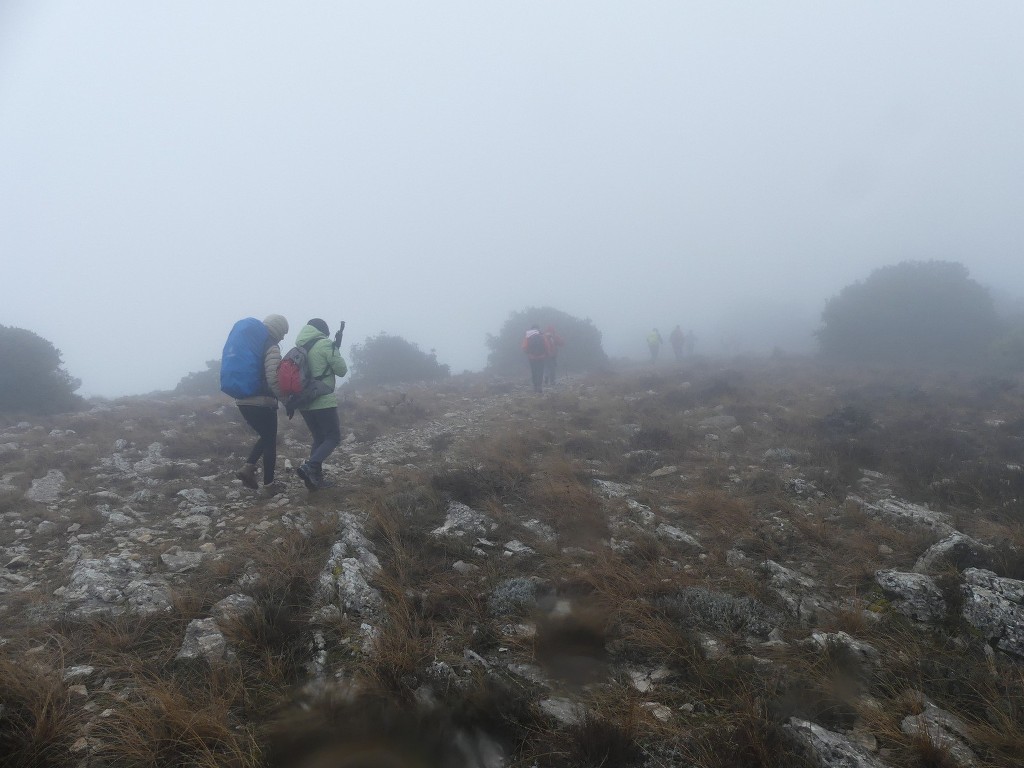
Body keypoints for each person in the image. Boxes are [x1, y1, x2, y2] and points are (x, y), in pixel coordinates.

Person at [236, 314, 288, 496]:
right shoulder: (271, 346)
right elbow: (273, 378)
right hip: (262, 402)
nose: (283, 338)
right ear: (278, 330)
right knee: (270, 442)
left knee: (265, 436)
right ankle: (268, 486)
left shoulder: (251, 345)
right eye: (283, 333)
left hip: (242, 400)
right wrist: (285, 400)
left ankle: (248, 468)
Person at [294, 318, 348, 490]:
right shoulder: (325, 344)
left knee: (318, 438)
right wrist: (335, 350)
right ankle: (310, 466)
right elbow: (341, 370)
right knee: (332, 437)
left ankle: (314, 480)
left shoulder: (300, 347)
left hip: (303, 401)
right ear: (323, 331)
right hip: (322, 399)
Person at [522, 324, 551, 393]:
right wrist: (547, 353)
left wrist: (528, 353)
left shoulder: (528, 337)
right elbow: (547, 346)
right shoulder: (542, 336)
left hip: (532, 357)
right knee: (540, 371)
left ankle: (535, 386)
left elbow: (524, 347)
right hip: (541, 356)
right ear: (538, 329)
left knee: (534, 371)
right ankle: (539, 386)